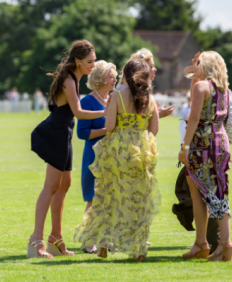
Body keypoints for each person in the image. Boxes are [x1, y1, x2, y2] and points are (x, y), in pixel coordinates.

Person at [28, 40, 108, 259]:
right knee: (51, 186)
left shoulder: (75, 78)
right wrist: (107, 113)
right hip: (55, 133)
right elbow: (79, 112)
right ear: (77, 61)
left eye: (94, 61)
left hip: (64, 134)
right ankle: (37, 239)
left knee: (65, 185)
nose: (93, 65)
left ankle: (56, 237)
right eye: (90, 61)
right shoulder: (69, 80)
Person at [74, 59, 160, 262]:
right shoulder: (150, 98)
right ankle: (139, 249)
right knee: (139, 199)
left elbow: (110, 125)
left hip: (118, 151)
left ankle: (103, 245)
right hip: (142, 150)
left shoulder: (117, 96)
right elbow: (154, 129)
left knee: (109, 195)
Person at [178, 51, 232, 261]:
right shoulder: (225, 90)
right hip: (221, 141)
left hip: (202, 143)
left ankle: (222, 244)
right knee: (216, 192)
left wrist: (185, 147)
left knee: (203, 196)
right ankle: (202, 243)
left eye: (199, 63)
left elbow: (194, 117)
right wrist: (194, 70)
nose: (195, 66)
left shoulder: (200, 87)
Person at [77, 60, 117, 253]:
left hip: (111, 158)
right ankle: (88, 242)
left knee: (109, 200)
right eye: (111, 77)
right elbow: (82, 133)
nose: (115, 80)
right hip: (94, 158)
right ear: (100, 79)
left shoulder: (113, 98)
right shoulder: (87, 101)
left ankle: (104, 240)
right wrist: (106, 130)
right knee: (93, 200)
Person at [116, 48, 175, 118]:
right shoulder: (130, 89)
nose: (155, 69)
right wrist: (157, 115)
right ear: (141, 68)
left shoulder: (132, 87)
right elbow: (134, 122)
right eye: (151, 66)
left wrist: (152, 112)